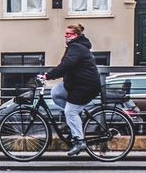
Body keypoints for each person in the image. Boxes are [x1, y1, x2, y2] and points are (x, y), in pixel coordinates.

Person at [42, 23, 101, 156]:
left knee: (70, 111)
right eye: (66, 33)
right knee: (56, 93)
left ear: (76, 35)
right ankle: (74, 117)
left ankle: (80, 141)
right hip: (74, 84)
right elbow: (66, 66)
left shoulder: (77, 47)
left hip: (85, 86)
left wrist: (48, 75)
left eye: (68, 34)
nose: (65, 35)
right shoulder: (74, 47)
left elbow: (67, 64)